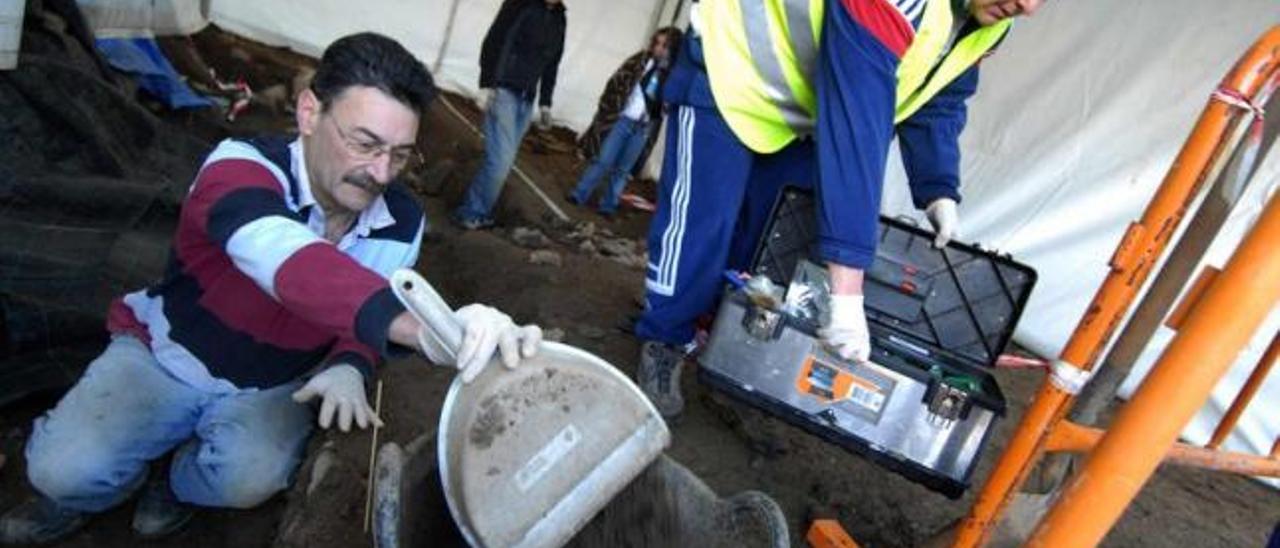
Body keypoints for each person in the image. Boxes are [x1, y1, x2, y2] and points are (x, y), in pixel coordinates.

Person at [0, 32, 543, 544]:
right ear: (309, 113)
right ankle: (98, 492)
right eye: (364, 143)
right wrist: (431, 331)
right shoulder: (242, 166)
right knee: (61, 470)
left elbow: (368, 303)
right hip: (169, 355)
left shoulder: (400, 218)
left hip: (274, 384)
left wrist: (351, 363)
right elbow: (289, 262)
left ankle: (177, 481)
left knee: (246, 480)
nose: (380, 172)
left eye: (399, 155)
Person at [635, 0, 1043, 419]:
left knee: (768, 245)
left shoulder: (987, 24)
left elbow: (941, 95)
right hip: (733, 69)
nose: (1027, 6)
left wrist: (939, 187)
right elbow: (856, 123)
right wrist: (847, 292)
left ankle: (722, 347)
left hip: (805, 109)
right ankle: (664, 339)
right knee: (701, 226)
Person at [453, 0, 568, 230]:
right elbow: (495, 40)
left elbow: (552, 64)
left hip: (527, 98)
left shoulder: (560, 18)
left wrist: (545, 102)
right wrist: (486, 84)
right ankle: (470, 213)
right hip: (503, 89)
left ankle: (475, 210)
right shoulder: (519, 4)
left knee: (500, 159)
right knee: (500, 161)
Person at [567, 27, 683, 217]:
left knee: (623, 170)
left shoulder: (672, 75)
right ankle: (579, 194)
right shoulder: (640, 61)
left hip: (644, 127)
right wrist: (612, 108)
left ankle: (608, 205)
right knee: (603, 160)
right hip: (623, 119)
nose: (660, 49)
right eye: (658, 43)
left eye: (666, 46)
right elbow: (615, 82)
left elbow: (669, 104)